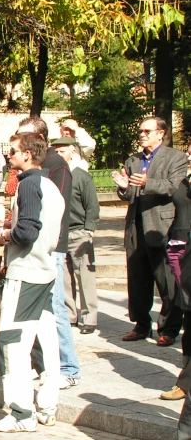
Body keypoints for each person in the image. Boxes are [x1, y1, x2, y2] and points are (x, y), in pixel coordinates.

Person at [0, 132, 64, 433]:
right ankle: (47, 406)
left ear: (28, 155)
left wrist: (5, 235)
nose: (9, 156)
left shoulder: (29, 184)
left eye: (13, 151)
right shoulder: (49, 185)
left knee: (12, 342)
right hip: (44, 271)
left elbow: (28, 232)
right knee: (47, 340)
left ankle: (22, 414)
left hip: (26, 273)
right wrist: (15, 226)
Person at [17, 116, 81, 389]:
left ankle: (69, 368)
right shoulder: (32, 168)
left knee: (54, 308)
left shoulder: (58, 166)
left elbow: (56, 209)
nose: (18, 143)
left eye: (24, 137)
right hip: (32, 245)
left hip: (51, 246)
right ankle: (40, 365)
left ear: (40, 139)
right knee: (37, 311)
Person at [112, 116, 186, 345]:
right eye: (141, 131)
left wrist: (147, 183)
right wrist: (124, 189)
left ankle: (169, 328)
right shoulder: (132, 160)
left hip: (161, 227)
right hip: (136, 227)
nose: (142, 134)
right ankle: (141, 325)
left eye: (147, 131)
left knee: (167, 282)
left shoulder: (175, 158)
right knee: (137, 280)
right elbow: (129, 194)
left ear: (160, 133)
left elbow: (174, 186)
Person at [52, 137, 100, 335]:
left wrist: (88, 231)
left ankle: (89, 318)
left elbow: (92, 205)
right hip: (60, 233)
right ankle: (70, 316)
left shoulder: (81, 176)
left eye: (62, 151)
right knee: (64, 278)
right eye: (56, 152)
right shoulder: (54, 175)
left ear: (72, 151)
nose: (58, 155)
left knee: (85, 277)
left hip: (80, 232)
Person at [161, 142, 191, 401]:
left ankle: (185, 382)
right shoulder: (186, 181)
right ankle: (186, 379)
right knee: (187, 314)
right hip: (181, 248)